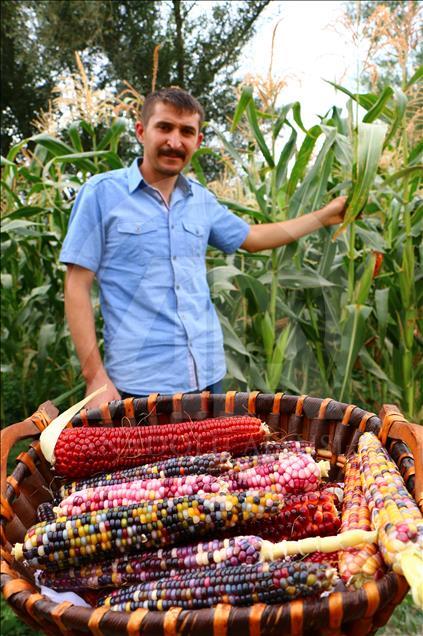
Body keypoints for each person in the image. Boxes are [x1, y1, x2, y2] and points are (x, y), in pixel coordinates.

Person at [60, 88, 347, 408]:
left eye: (187, 132)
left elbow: (251, 238)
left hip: (208, 375)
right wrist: (95, 376)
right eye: (164, 127)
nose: (174, 141)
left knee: (213, 461)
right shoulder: (101, 194)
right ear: (141, 131)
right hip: (140, 384)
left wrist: (324, 217)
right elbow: (76, 284)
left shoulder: (200, 199)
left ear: (198, 141)